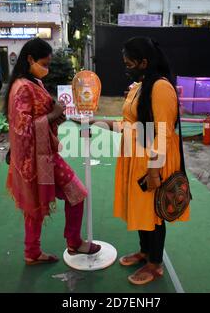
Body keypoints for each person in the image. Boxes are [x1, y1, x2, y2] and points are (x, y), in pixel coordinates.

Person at [75, 37, 190, 285]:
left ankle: (155, 264)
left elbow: (163, 133)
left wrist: (153, 172)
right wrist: (97, 123)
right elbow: (129, 125)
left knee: (154, 213)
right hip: (135, 158)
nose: (126, 68)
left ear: (144, 62)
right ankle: (145, 251)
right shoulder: (140, 85)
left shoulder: (160, 88)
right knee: (141, 209)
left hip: (152, 162)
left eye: (129, 64)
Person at [5, 38, 101, 265]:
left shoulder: (32, 82)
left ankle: (33, 252)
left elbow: (43, 116)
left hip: (43, 155)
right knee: (74, 194)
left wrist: (64, 116)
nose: (46, 68)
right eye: (44, 63)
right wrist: (53, 113)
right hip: (38, 160)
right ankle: (74, 242)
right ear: (30, 59)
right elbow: (23, 129)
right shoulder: (22, 88)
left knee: (36, 205)